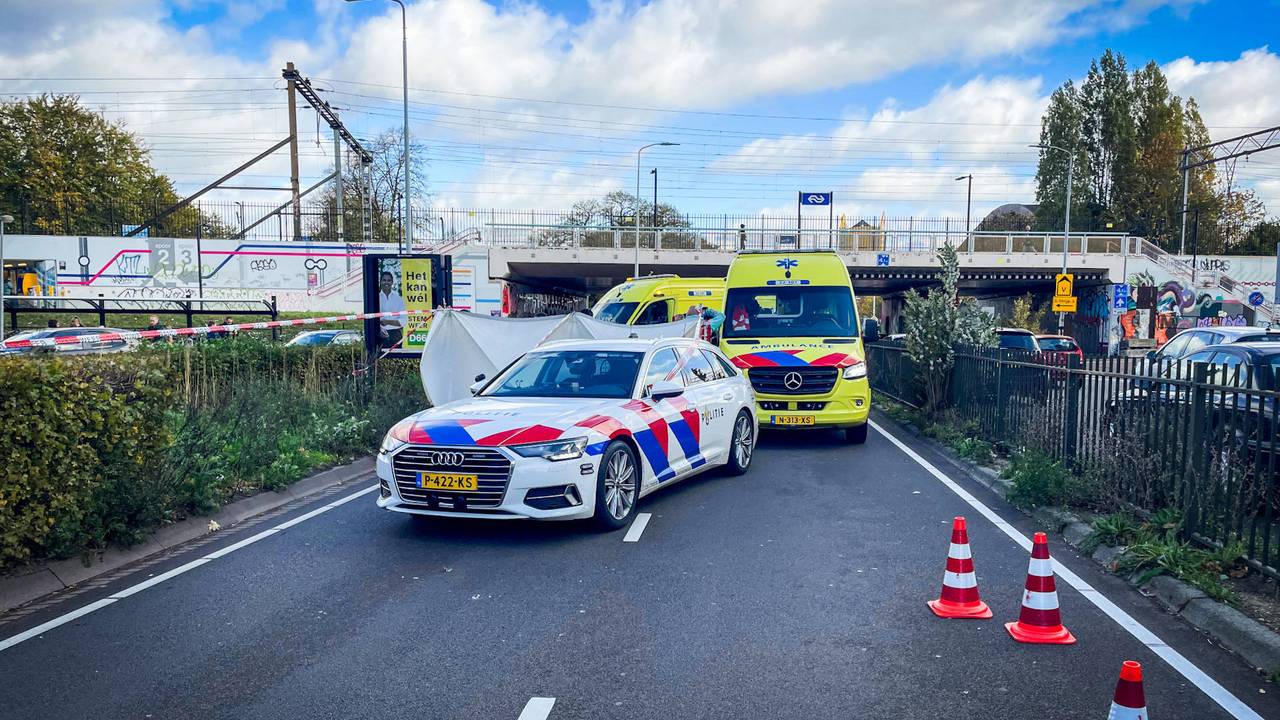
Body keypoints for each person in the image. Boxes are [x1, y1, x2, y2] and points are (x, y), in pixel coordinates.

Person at [377, 271, 406, 350]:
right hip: (379, 334)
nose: (386, 282)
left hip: (396, 335)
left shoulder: (399, 299)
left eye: (389, 280)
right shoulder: (376, 298)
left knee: (396, 356)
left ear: (392, 282)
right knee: (381, 356)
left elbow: (403, 321)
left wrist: (388, 322)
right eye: (384, 280)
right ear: (380, 282)